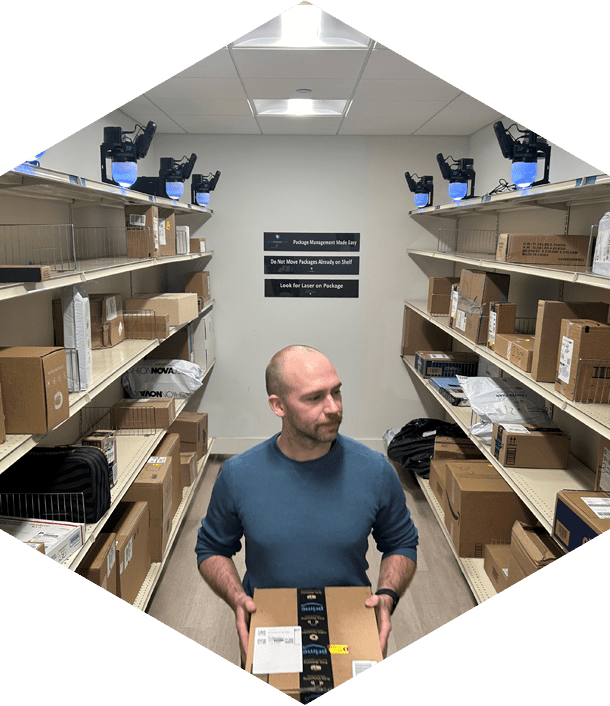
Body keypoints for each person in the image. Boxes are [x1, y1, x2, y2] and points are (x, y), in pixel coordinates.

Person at [195, 345, 418, 665]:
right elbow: (212, 549)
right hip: (271, 626)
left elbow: (400, 543)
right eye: (314, 398)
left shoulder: (375, 471)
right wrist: (237, 599)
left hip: (350, 623)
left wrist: (387, 595)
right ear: (278, 405)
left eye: (336, 392)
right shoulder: (238, 475)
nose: (333, 408)